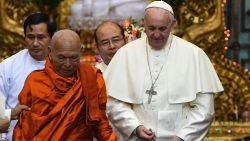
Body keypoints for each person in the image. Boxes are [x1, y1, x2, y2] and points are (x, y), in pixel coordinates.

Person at [104, 1, 224, 141]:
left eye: (162, 29)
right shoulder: (126, 54)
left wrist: (182, 137)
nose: (156, 34)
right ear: (143, 23)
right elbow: (114, 103)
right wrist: (134, 127)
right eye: (151, 28)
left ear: (172, 25)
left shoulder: (193, 54)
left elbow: (205, 110)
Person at [13, 29, 116, 141]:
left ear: (81, 51)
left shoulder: (92, 78)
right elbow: (24, 123)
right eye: (61, 58)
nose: (67, 64)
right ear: (50, 52)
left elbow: (100, 121)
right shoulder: (35, 81)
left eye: (73, 58)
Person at [0, 13, 56, 140]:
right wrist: (11, 114)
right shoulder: (8, 66)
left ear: (52, 38)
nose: (35, 43)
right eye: (30, 37)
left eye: (41, 37)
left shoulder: (63, 65)